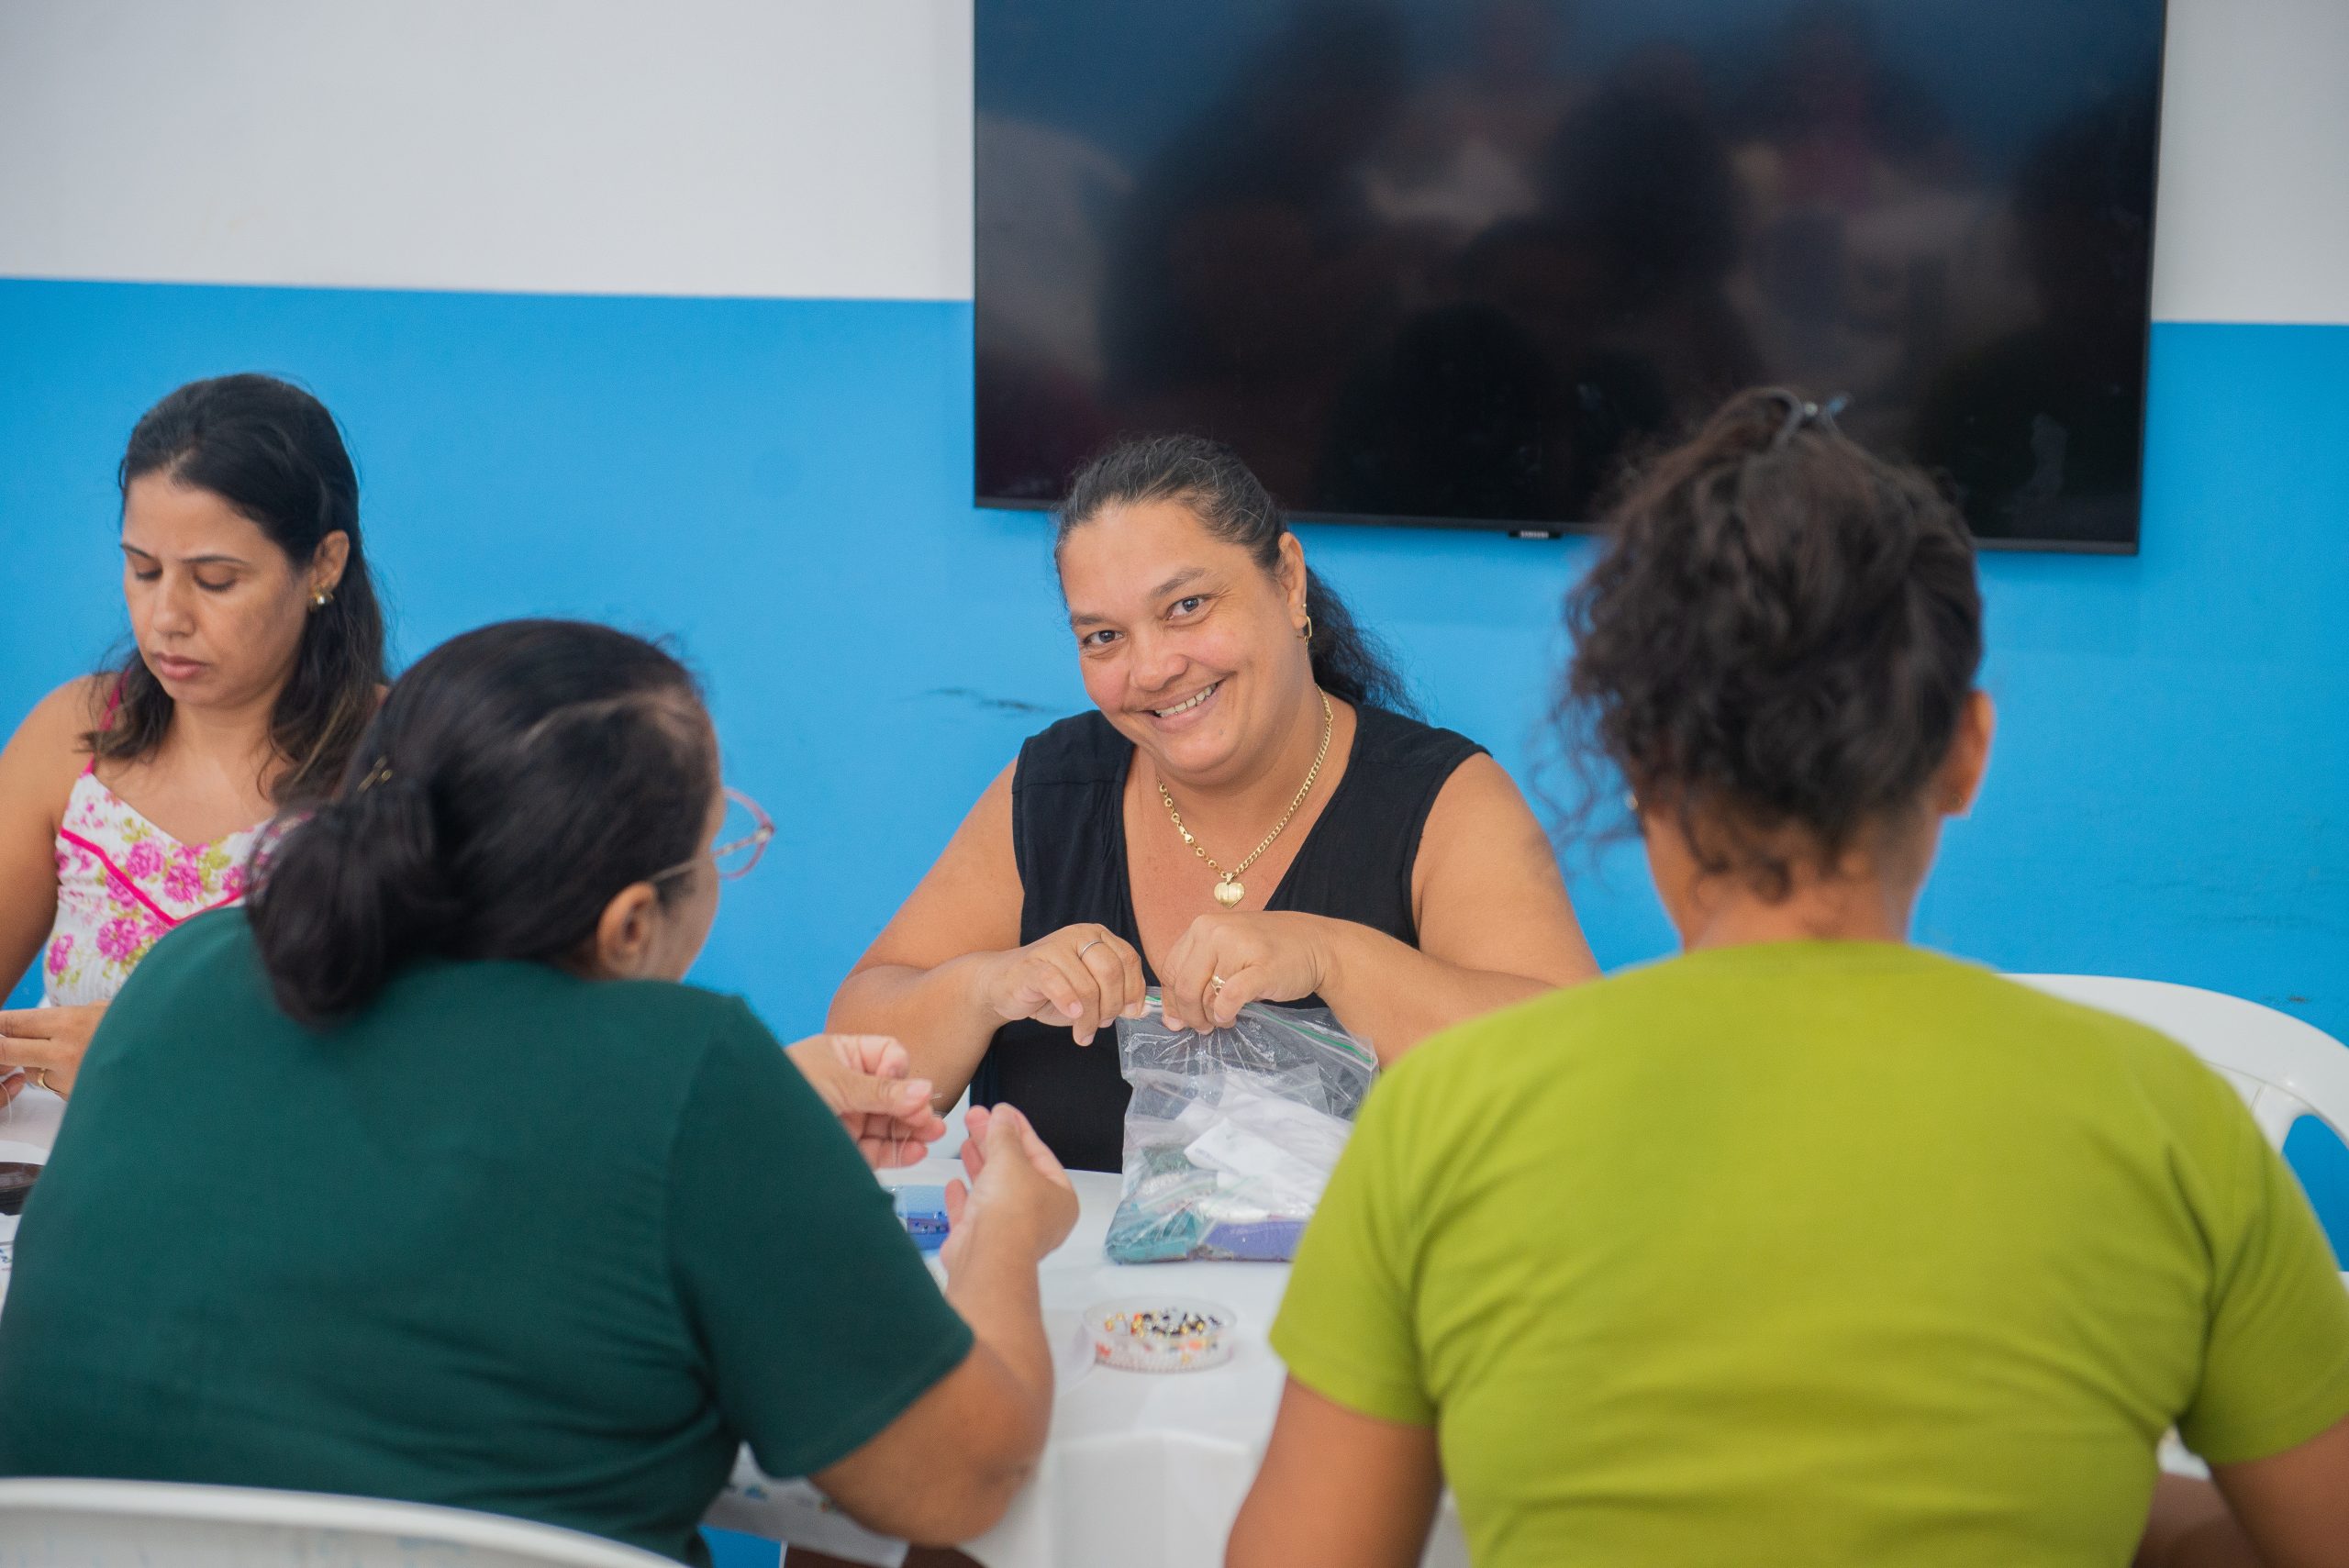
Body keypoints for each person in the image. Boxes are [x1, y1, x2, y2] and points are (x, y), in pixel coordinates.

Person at [1230, 390, 2349, 1567]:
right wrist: (2099, 1501)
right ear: (1966, 753)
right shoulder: (2170, 1123)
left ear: (1639, 762)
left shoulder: (1441, 1118)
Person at [0, 620, 1079, 1565]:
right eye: (718, 842)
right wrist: (1003, 1235)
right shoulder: (691, 1071)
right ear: (628, 925)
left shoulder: (186, 973)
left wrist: (764, 1134)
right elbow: (955, 1480)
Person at [831, 434, 1598, 1171]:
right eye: (1102, 636)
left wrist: (1332, 958)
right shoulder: (1050, 792)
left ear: (1288, 581)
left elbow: (1579, 1080)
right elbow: (857, 1065)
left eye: (1187, 605)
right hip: (1058, 1268)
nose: (1152, 668)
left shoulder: (1445, 801)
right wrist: (988, 986)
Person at [0, 374, 384, 1103]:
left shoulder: (402, 760)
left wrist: (152, 1057)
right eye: (143, 570)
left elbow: (434, 1071)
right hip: (61, 1172)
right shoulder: (73, 738)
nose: (166, 617)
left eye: (214, 580)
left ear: (324, 565)